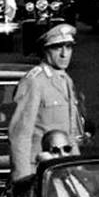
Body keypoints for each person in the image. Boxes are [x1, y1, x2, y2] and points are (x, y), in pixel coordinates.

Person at [8, 23, 86, 182]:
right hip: (39, 170)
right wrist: (23, 180)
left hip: (63, 168)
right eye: (57, 48)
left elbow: (70, 133)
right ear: (45, 50)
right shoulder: (34, 81)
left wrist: (78, 170)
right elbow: (20, 135)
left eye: (69, 47)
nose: (65, 54)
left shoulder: (65, 80)